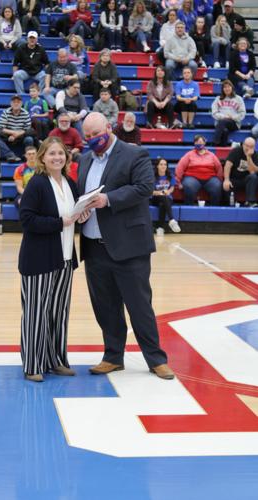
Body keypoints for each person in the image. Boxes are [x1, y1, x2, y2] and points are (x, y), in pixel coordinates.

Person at [77, 112, 174, 379]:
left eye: (95, 134)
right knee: (105, 306)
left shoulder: (134, 154)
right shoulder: (84, 159)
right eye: (87, 136)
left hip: (129, 246)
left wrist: (108, 199)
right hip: (94, 245)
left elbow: (145, 188)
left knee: (139, 305)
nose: (91, 140)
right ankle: (112, 356)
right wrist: (79, 210)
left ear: (109, 128)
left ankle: (156, 359)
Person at [18, 137, 88, 382]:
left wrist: (83, 215)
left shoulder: (70, 183)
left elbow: (76, 214)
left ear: (67, 157)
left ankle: (56, 360)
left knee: (59, 312)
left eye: (61, 153)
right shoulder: (37, 183)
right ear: (42, 158)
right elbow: (26, 220)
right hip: (39, 259)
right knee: (36, 313)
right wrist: (60, 223)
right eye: (52, 154)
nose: (57, 157)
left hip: (65, 258)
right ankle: (32, 365)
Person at [175, 134, 223, 205]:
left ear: (204, 143)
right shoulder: (189, 154)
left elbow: (219, 167)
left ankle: (214, 209)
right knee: (188, 186)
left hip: (210, 178)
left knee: (217, 186)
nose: (199, 143)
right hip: (192, 177)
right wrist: (178, 182)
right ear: (194, 143)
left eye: (201, 142)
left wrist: (220, 180)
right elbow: (180, 167)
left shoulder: (211, 155)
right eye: (197, 142)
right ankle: (189, 208)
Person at [0, 94, 36, 162]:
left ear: (21, 103)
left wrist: (17, 135)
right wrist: (13, 133)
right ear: (11, 103)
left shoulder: (26, 113)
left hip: (21, 137)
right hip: (8, 137)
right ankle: (10, 155)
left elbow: (28, 129)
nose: (16, 104)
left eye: (18, 102)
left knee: (29, 139)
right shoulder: (6, 112)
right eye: (14, 102)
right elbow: (1, 128)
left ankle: (27, 157)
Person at [223, 138, 258, 207]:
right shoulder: (236, 151)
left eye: (251, 146)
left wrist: (249, 157)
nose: (248, 148)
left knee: (253, 177)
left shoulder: (255, 155)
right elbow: (227, 165)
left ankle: (250, 202)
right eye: (247, 146)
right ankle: (230, 205)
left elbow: (252, 172)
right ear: (243, 145)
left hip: (246, 180)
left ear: (254, 147)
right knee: (226, 187)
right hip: (234, 180)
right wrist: (226, 180)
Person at [211, 79, 245, 147]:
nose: (227, 89)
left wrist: (232, 117)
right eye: (225, 87)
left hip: (234, 123)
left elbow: (242, 113)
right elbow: (214, 113)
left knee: (224, 122)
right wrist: (224, 116)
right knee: (225, 131)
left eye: (228, 87)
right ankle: (223, 149)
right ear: (222, 89)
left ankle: (215, 142)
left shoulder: (238, 99)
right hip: (220, 123)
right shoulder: (218, 99)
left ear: (232, 88)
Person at [152, 158, 181, 235]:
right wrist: (159, 192)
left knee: (163, 204)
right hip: (156, 198)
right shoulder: (153, 177)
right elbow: (150, 191)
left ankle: (160, 228)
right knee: (163, 198)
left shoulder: (170, 176)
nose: (163, 166)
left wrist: (168, 191)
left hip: (167, 198)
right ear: (157, 166)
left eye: (165, 164)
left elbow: (172, 188)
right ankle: (171, 220)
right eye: (161, 164)